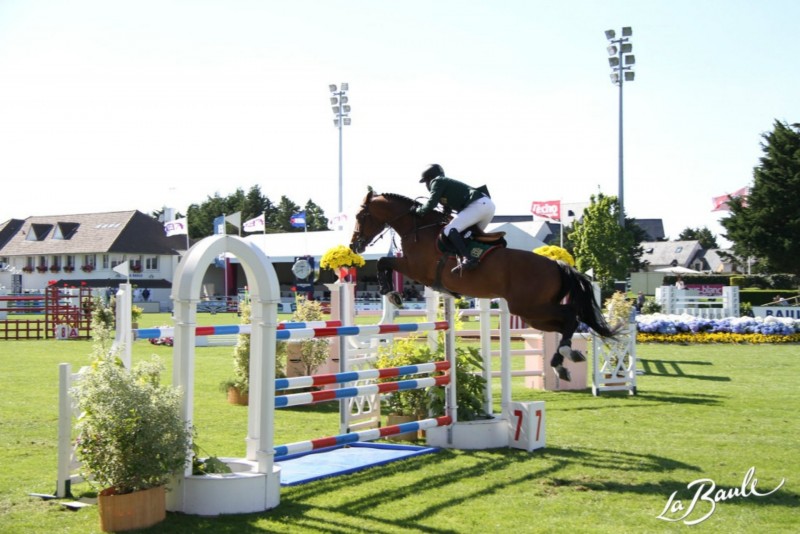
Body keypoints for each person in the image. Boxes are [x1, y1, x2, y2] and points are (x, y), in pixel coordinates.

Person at [415, 164, 496, 272]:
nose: (426, 185)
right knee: (468, 236)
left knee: (449, 230)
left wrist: (417, 211)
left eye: (425, 182)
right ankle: (473, 260)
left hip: (478, 205)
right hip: (487, 207)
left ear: (429, 178)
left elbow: (431, 203)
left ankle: (469, 259)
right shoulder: (445, 184)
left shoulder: (437, 181)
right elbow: (447, 209)